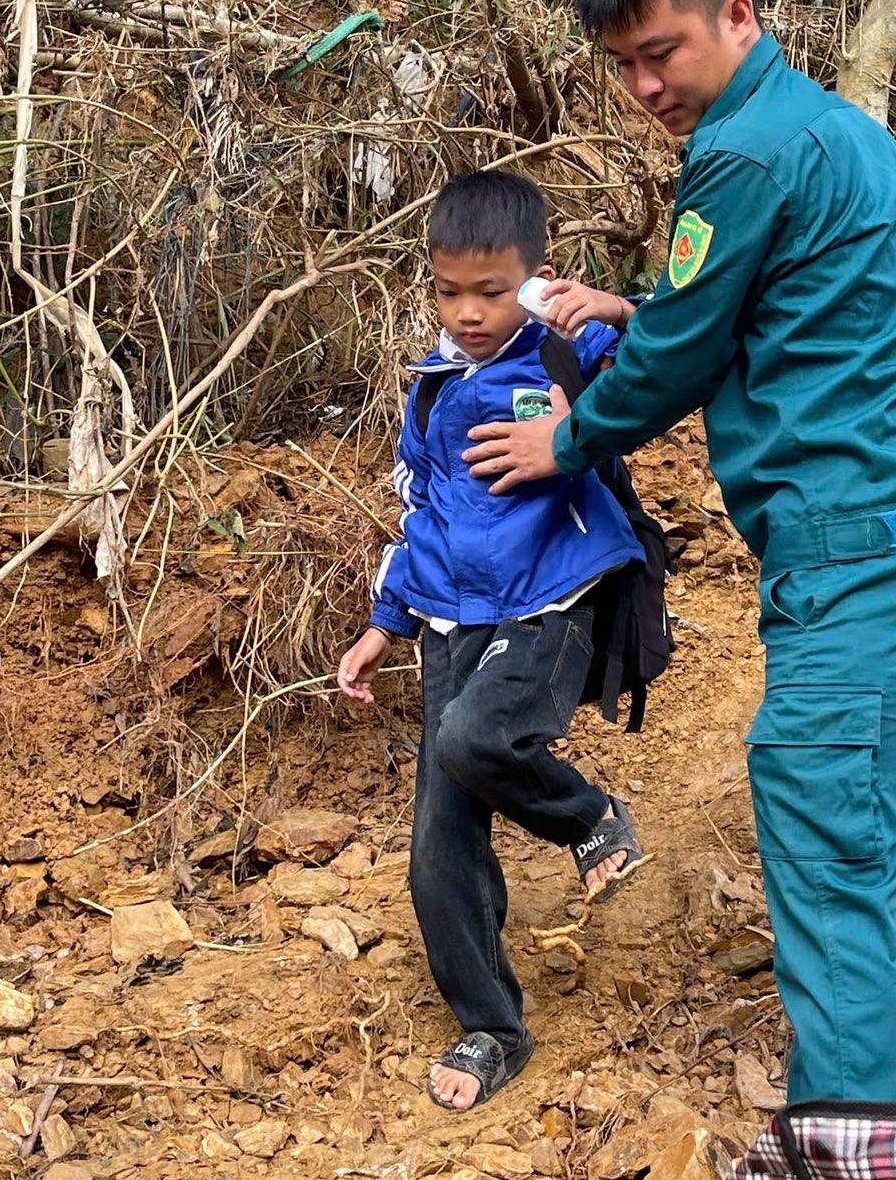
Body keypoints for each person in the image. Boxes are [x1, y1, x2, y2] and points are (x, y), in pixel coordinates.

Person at [462, 0, 896, 1107]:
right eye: (622, 67)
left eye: (662, 54)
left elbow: (677, 365)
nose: (645, 86)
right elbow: (778, 321)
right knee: (861, 861)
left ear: (736, 18)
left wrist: (567, 437)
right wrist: (633, 313)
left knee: (820, 851)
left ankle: (848, 1137)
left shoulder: (742, 152)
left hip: (856, 551)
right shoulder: (835, 132)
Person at [336, 170, 647, 1112]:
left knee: (476, 740)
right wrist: (382, 624)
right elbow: (421, 515)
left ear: (535, 278)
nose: (468, 312)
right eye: (447, 290)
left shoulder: (565, 352)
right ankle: (491, 1027)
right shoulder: (429, 392)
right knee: (437, 843)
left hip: (551, 601)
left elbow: (675, 346)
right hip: (449, 622)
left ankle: (587, 815)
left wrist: (615, 307)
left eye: (492, 289)